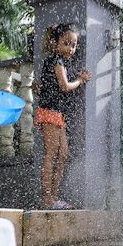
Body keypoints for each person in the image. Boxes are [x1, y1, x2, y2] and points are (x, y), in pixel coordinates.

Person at [35, 22, 91, 210]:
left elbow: (46, 87)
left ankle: (54, 197)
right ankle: (48, 199)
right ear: (55, 42)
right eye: (66, 43)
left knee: (63, 155)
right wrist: (81, 80)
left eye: (73, 45)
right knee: (52, 154)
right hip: (50, 112)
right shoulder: (56, 61)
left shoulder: (56, 62)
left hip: (57, 113)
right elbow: (65, 86)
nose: (70, 48)